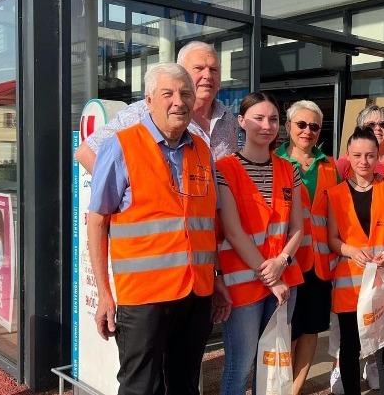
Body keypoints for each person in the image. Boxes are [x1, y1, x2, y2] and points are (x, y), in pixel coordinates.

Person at [86, 62, 230, 395]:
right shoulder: (120, 147)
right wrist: (105, 294)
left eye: (186, 94)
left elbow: (206, 223)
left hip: (196, 294)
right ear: (149, 101)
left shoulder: (202, 150)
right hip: (143, 298)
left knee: (185, 385)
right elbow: (97, 221)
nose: (179, 102)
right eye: (168, 94)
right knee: (141, 387)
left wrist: (217, 277)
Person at [215, 91, 305, 395]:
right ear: (241, 121)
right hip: (244, 284)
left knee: (272, 364)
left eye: (273, 119)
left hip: (284, 277)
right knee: (240, 365)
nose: (266, 125)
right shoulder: (225, 169)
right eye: (258, 118)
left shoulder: (289, 169)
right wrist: (270, 276)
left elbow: (297, 228)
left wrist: (282, 262)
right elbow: (232, 231)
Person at [75, 41, 242, 173]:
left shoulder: (228, 119)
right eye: (199, 68)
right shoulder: (145, 111)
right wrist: (123, 194)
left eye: (214, 70)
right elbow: (87, 152)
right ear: (181, 73)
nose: (207, 75)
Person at [326, 127, 384, 395]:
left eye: (370, 155)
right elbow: (332, 239)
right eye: (357, 155)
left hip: (381, 280)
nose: (363, 161)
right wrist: (350, 250)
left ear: (378, 156)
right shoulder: (335, 193)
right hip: (349, 281)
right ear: (348, 156)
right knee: (350, 346)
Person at [273, 100, 340, 395]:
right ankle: (279, 386)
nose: (307, 131)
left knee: (311, 329)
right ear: (288, 127)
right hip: (287, 262)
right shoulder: (274, 161)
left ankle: (294, 389)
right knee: (287, 331)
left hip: (320, 264)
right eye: (301, 124)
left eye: (314, 126)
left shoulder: (330, 166)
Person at [335, 104, 384, 181]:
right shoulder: (345, 162)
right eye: (371, 124)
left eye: (383, 124)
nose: (377, 128)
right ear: (360, 130)